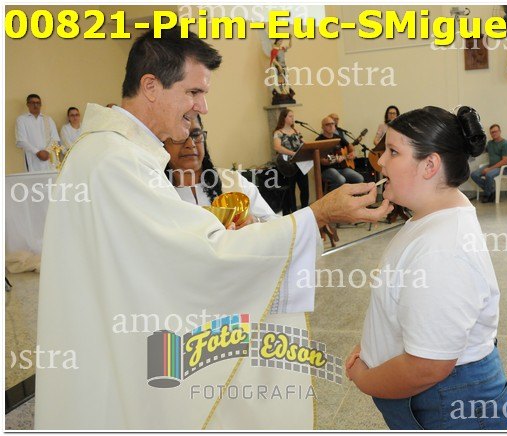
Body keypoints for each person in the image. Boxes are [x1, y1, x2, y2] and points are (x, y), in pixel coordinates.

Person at [35, 27, 392, 430]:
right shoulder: (117, 161)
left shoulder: (112, 152)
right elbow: (200, 257)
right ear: (150, 86)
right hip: (113, 359)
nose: (202, 106)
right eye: (193, 92)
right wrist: (317, 215)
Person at [345, 106, 507, 430]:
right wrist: (372, 344)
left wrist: (364, 379)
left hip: (447, 404)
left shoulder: (442, 251)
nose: (380, 161)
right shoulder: (434, 213)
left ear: (430, 165)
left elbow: (427, 367)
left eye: (393, 151)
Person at [164, 115, 277, 224]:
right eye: (180, 136)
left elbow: (275, 224)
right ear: (162, 142)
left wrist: (255, 222)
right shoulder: (159, 192)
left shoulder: (232, 181)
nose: (191, 144)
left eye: (196, 135)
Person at [273, 108, 310, 214]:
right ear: (284, 118)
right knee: (290, 189)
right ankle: (294, 212)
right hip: (288, 165)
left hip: (300, 163)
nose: (292, 118)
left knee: (304, 188)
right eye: (290, 116)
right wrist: (293, 153)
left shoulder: (296, 131)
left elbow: (303, 144)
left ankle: (305, 209)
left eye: (293, 116)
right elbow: (277, 147)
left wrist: (308, 148)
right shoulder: (278, 133)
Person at [316, 116, 364, 191]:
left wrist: (352, 152)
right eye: (328, 124)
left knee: (359, 178)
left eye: (333, 124)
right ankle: (332, 197)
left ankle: (350, 197)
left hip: (342, 168)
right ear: (323, 127)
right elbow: (321, 160)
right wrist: (334, 160)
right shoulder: (319, 140)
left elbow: (350, 146)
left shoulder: (338, 137)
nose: (331, 126)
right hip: (327, 170)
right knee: (341, 180)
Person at [15, 93, 60, 172]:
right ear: (27, 104)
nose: (35, 105)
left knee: (51, 178)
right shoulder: (22, 119)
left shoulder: (48, 119)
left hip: (49, 157)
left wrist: (47, 151)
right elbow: (21, 141)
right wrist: (37, 152)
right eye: (32, 103)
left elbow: (55, 138)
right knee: (33, 179)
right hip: (32, 158)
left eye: (38, 103)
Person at [470, 124, 507, 203]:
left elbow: (505, 161)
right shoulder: (490, 143)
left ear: (500, 131)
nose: (494, 133)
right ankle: (491, 191)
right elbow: (483, 151)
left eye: (495, 131)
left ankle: (487, 195)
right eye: (492, 132)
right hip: (491, 166)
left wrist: (489, 169)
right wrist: (473, 149)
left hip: (502, 168)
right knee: (474, 175)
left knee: (489, 175)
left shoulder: (506, 144)